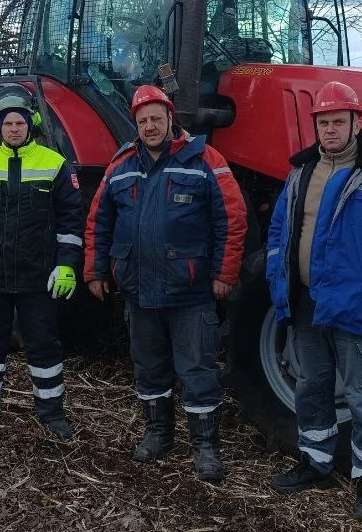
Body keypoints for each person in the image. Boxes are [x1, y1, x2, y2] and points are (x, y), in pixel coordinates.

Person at [264, 80, 362, 521]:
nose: (330, 129)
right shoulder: (302, 173)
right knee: (313, 386)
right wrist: (278, 273)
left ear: (357, 123)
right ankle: (315, 461)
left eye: (338, 121)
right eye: (323, 122)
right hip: (307, 303)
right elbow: (279, 229)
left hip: (357, 306)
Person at [84, 85, 247, 483]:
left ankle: (205, 446)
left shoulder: (204, 159)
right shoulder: (121, 166)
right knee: (150, 368)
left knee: (198, 370)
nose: (150, 126)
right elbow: (98, 222)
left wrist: (225, 273)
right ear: (135, 125)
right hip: (140, 291)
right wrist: (95, 270)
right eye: (142, 121)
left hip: (189, 292)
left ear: (170, 119)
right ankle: (158, 434)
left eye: (156, 118)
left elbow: (231, 217)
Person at [0, 87, 83, 440]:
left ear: (30, 125)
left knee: (44, 345)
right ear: (0, 127)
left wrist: (67, 264)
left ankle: (52, 414)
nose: (14, 129)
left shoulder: (54, 164)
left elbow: (71, 222)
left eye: (19, 122)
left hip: (37, 276)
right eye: (8, 123)